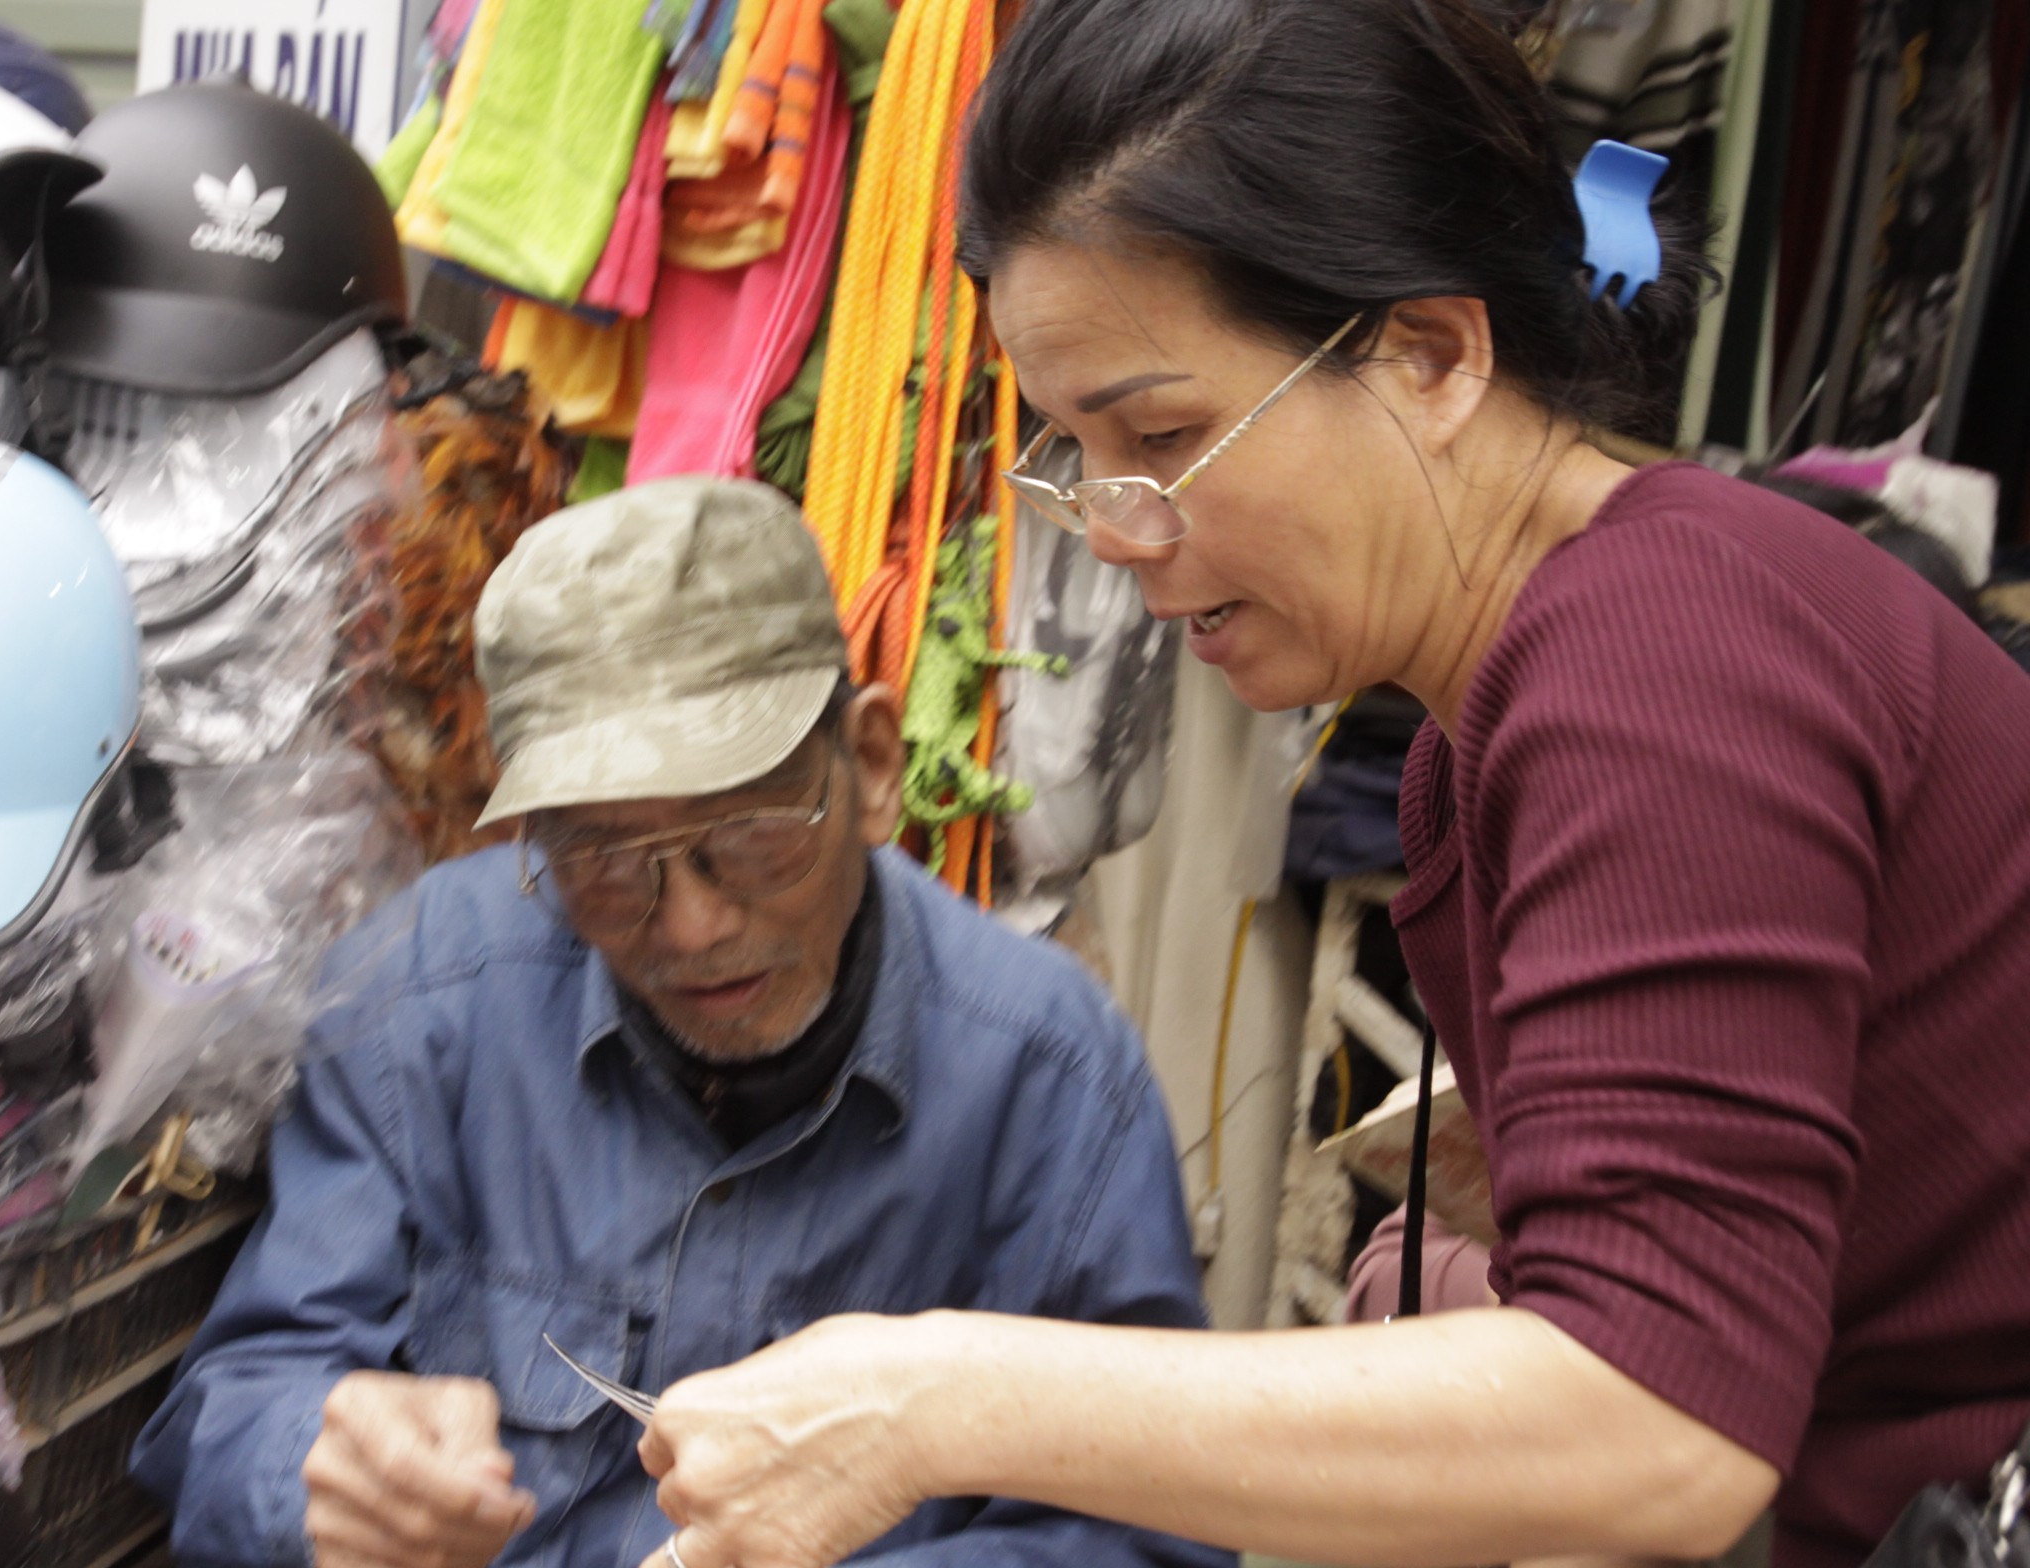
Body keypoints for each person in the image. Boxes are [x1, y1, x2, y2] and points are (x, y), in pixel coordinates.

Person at [621, 4, 2030, 1568]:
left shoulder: (1656, 653)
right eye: (1074, 453)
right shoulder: (1501, 707)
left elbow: (1656, 1418)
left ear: (1430, 353)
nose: (1113, 525)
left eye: (1160, 431)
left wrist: (932, 1402)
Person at [127, 475, 1231, 1568]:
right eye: (605, 858)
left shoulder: (1049, 1078)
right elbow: (234, 1405)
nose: (695, 925)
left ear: (876, 765)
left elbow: (1153, 1524)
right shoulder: (420, 998)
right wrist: (318, 1466)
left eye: (754, 831)